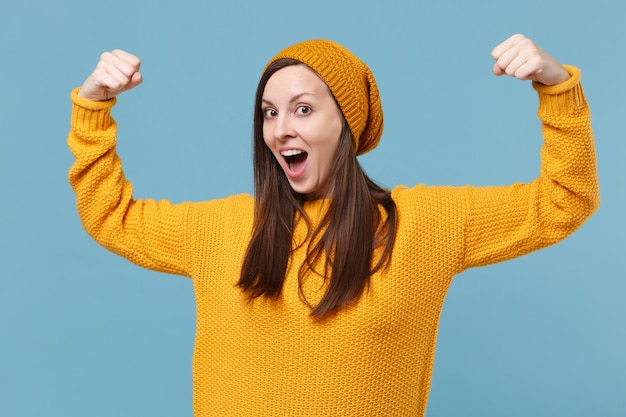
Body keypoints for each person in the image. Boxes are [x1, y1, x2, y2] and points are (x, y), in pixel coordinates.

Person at [67, 34, 599, 416]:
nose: (279, 130)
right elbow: (111, 215)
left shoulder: (423, 225)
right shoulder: (223, 228)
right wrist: (94, 105)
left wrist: (556, 88)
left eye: (301, 109)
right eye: (269, 113)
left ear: (345, 121)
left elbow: (565, 200)